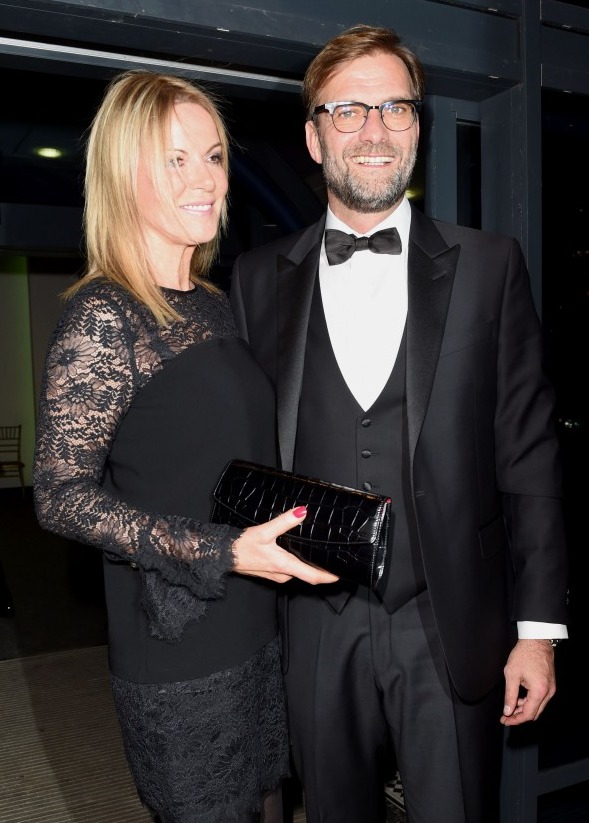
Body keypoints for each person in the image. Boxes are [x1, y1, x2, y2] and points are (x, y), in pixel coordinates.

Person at [229, 23, 570, 823]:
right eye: (346, 111)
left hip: (449, 618)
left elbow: (528, 456)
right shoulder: (253, 280)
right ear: (313, 138)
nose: (373, 130)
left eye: (394, 107)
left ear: (417, 124)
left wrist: (539, 630)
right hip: (310, 625)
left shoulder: (490, 266)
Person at [33, 69, 337, 823]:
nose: (205, 178)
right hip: (177, 644)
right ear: (121, 172)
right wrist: (223, 551)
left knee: (271, 804)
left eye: (212, 155)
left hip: (259, 622)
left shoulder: (214, 302)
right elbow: (59, 496)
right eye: (175, 159)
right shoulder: (105, 316)